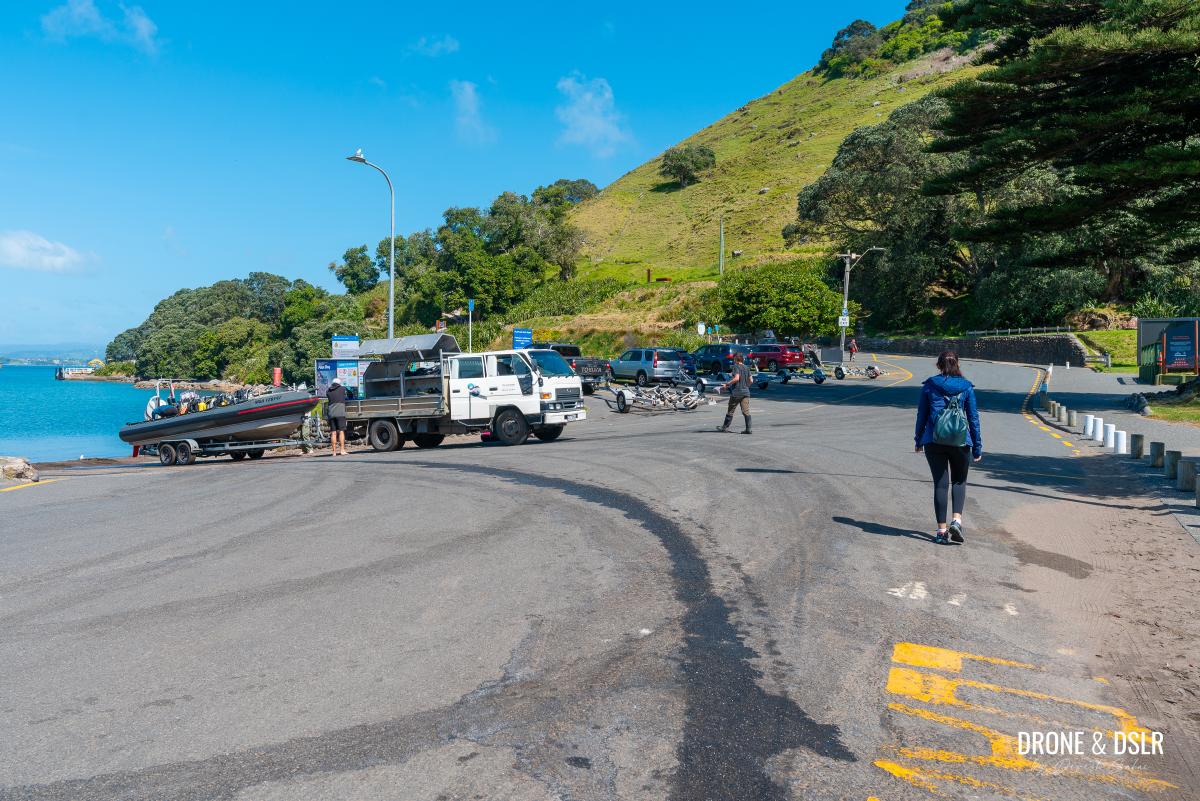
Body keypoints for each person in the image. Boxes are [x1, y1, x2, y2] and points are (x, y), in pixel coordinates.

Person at [914, 350, 982, 544]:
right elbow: (973, 419)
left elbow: (922, 415)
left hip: (934, 441)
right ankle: (957, 520)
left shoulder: (929, 386)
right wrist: (977, 447)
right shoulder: (967, 387)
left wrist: (918, 439)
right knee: (959, 482)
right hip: (961, 441)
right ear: (958, 364)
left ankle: (941, 532)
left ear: (938, 365)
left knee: (940, 484)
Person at [715, 352, 752, 434]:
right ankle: (748, 429)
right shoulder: (747, 367)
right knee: (746, 411)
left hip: (736, 392)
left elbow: (736, 378)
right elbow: (751, 380)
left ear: (736, 359)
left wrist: (727, 384)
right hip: (746, 393)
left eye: (734, 358)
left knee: (730, 411)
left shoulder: (736, 367)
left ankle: (725, 427)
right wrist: (746, 386)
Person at [325, 377, 351, 456]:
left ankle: (334, 452)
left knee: (333, 433)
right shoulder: (342, 389)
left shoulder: (328, 391)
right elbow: (350, 393)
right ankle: (342, 450)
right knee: (341, 431)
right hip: (340, 413)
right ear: (339, 384)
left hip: (331, 413)